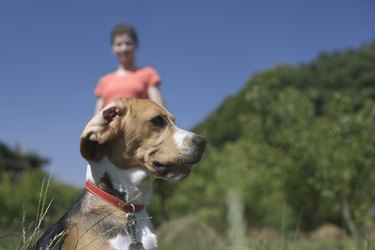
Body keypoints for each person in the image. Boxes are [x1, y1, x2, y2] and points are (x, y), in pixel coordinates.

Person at [94, 23, 164, 114]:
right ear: (112, 48)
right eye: (119, 44)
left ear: (136, 45)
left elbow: (159, 109)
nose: (124, 48)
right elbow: (97, 114)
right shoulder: (104, 80)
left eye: (128, 43)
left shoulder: (148, 73)